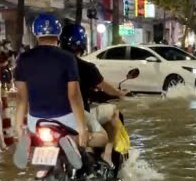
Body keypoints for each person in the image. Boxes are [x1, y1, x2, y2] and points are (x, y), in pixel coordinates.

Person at [13, 14, 90, 169]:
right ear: (58, 34)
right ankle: (72, 140)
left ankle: (29, 137)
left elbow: (22, 98)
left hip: (36, 120)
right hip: (65, 118)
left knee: (31, 130)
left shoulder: (23, 58)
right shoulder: (67, 58)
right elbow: (74, 96)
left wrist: (18, 127)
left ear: (35, 34)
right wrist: (82, 129)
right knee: (95, 136)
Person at [59, 23, 125, 168]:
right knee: (115, 112)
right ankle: (106, 155)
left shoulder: (53, 65)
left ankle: (87, 150)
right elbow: (106, 88)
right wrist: (120, 93)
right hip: (78, 114)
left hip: (55, 115)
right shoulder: (87, 67)